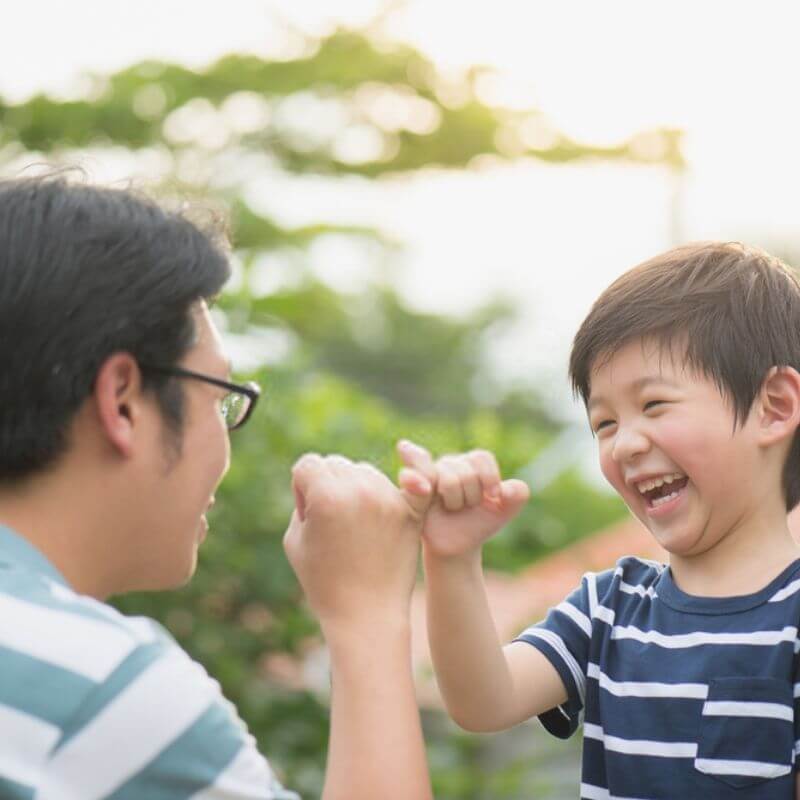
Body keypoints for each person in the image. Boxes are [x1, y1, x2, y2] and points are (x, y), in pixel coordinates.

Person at [0, 174, 434, 799]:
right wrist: (366, 615)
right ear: (122, 401)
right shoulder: (102, 688)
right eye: (219, 398)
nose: (223, 445)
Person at [398, 242, 800, 798]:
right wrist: (452, 557)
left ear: (774, 406)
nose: (626, 444)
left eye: (654, 404)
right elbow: (483, 701)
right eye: (605, 422)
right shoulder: (607, 607)